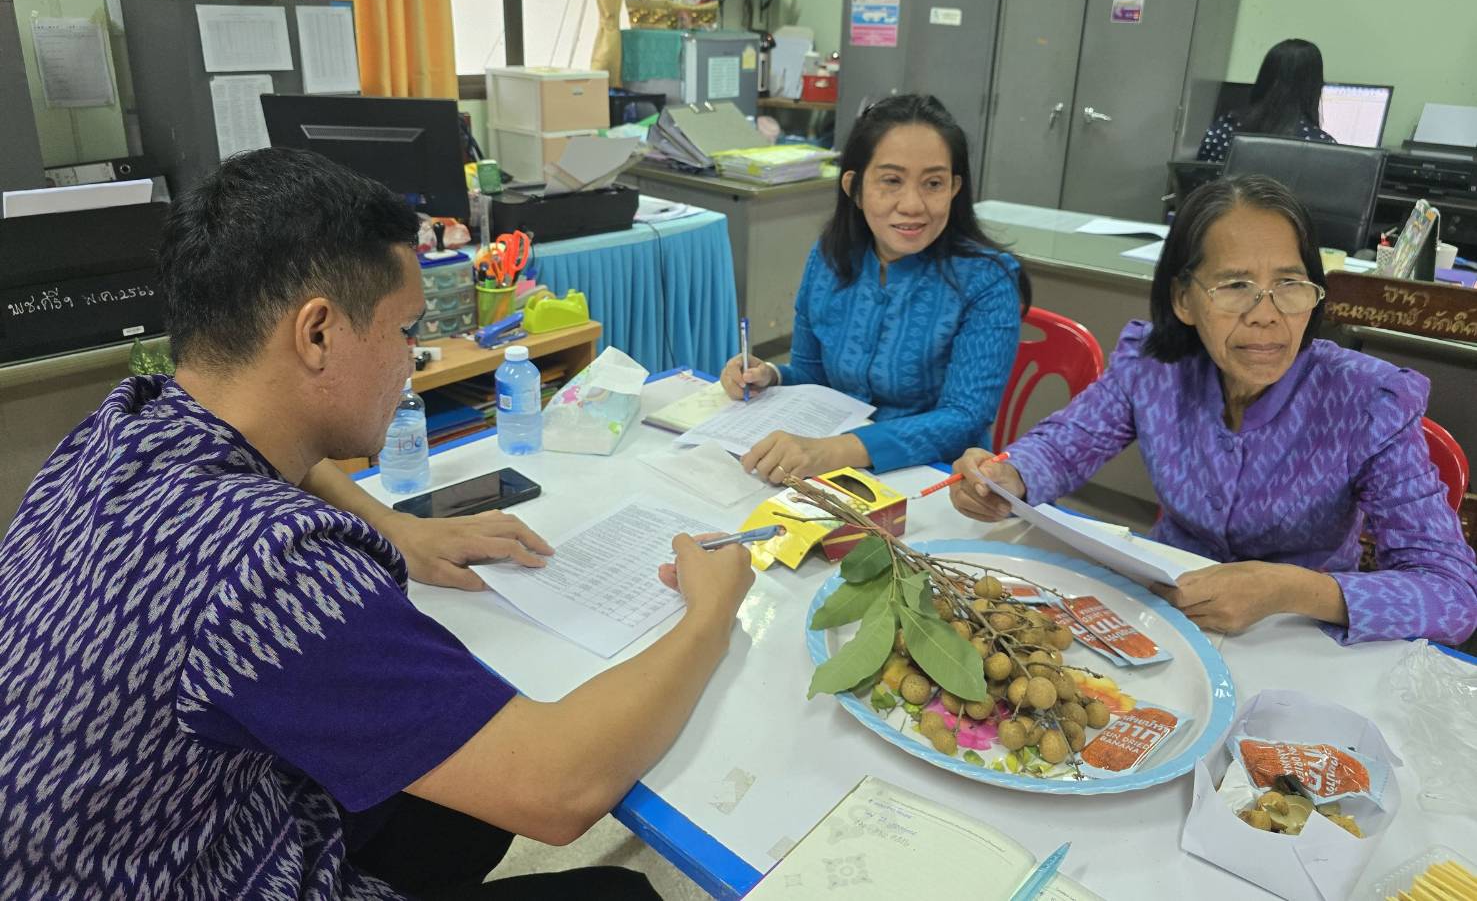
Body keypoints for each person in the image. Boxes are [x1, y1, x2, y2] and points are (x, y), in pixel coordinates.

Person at [0, 149, 754, 900]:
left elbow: (289, 459)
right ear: (318, 333)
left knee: (463, 798)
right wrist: (710, 613)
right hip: (202, 871)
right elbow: (559, 790)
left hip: (118, 841)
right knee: (615, 893)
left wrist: (396, 528)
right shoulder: (270, 565)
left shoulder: (130, 420)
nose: (412, 360)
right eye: (403, 333)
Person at [949, 175, 1477, 645]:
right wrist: (1008, 475)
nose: (1266, 316)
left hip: (1296, 639)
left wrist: (1289, 589)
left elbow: (1453, 595)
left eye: (1289, 285)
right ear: (1184, 298)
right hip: (1164, 612)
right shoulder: (1156, 366)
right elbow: (1066, 444)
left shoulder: (1365, 403)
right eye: (1235, 286)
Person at [718, 94, 1027, 483]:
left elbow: (964, 418)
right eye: (891, 181)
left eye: (933, 183)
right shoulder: (831, 257)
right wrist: (771, 377)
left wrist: (835, 451)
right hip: (823, 466)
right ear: (855, 187)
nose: (913, 204)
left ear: (954, 188)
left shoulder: (987, 280)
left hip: (931, 478)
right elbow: (814, 378)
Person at [1197, 38, 1337, 163]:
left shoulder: (1226, 127)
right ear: (1314, 87)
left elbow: (1200, 182)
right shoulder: (1324, 148)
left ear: (1264, 78)